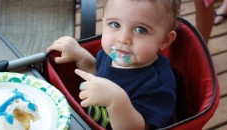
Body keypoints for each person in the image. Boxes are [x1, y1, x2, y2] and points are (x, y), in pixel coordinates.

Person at [47, 0, 180, 129]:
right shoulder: (112, 53)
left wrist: (116, 101)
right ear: (104, 22)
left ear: (165, 40)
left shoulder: (159, 84)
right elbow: (98, 73)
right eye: (115, 24)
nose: (122, 39)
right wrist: (80, 55)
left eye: (140, 29)